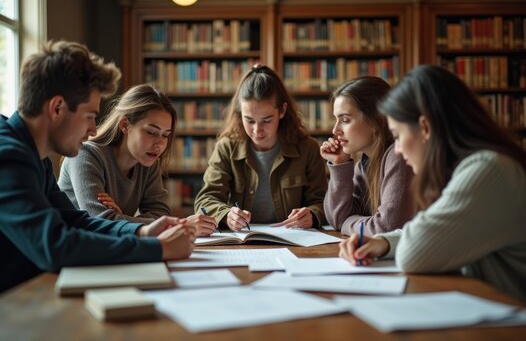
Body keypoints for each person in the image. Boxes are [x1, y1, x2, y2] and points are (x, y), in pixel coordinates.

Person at [0, 40, 196, 294]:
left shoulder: (37, 158)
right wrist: (158, 249)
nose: (94, 129)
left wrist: (142, 231)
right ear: (57, 108)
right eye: (90, 116)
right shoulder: (7, 157)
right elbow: (56, 245)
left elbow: (76, 221)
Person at [339, 65, 526, 301]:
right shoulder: (467, 168)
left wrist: (390, 241)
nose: (396, 149)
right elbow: (437, 233)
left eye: (397, 136)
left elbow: (414, 253)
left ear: (425, 128)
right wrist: (384, 242)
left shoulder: (487, 169)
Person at [58, 84, 216, 236]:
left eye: (166, 135)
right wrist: (120, 220)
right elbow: (101, 222)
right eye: (151, 132)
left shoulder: (147, 161)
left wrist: (120, 219)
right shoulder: (85, 154)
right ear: (125, 125)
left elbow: (160, 213)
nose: (160, 144)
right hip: (72, 252)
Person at [194, 64, 327, 231]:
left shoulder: (308, 148)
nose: (257, 130)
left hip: (293, 241)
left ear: (282, 111)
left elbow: (322, 202)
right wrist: (226, 214)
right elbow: (205, 199)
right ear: (239, 113)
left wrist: (312, 215)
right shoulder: (226, 148)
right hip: (241, 242)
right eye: (249, 120)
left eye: (266, 120)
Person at [320, 76, 414, 236]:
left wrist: (347, 223)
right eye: (336, 120)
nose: (335, 130)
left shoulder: (398, 156)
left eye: (345, 120)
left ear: (375, 120)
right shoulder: (364, 163)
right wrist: (339, 164)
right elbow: (336, 219)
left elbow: (386, 228)